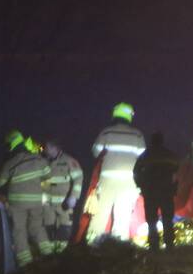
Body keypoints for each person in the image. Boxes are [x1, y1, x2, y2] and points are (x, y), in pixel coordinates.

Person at [0, 129, 53, 267]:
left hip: (18, 205)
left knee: (19, 232)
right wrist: (43, 191)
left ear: (11, 145)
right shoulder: (37, 159)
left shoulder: (10, 164)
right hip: (36, 202)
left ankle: (26, 264)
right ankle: (50, 257)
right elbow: (48, 176)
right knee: (37, 228)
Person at [86, 102, 146, 243]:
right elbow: (143, 157)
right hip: (129, 184)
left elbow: (95, 152)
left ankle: (91, 247)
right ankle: (119, 249)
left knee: (99, 217)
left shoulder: (106, 132)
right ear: (130, 116)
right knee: (122, 220)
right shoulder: (138, 135)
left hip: (107, 183)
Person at [133, 132, 180, 251]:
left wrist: (141, 186)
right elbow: (177, 172)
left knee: (151, 220)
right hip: (166, 192)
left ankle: (154, 245)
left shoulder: (145, 155)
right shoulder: (170, 155)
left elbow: (136, 172)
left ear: (152, 141)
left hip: (150, 192)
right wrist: (174, 187)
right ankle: (169, 244)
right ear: (162, 141)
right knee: (167, 219)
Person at [42, 140, 83, 253]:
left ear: (55, 147)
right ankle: (49, 255)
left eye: (47, 147)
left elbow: (78, 178)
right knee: (47, 229)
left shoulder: (68, 161)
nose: (45, 149)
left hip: (64, 205)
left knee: (64, 230)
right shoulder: (44, 162)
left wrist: (73, 197)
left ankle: (61, 254)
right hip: (47, 205)